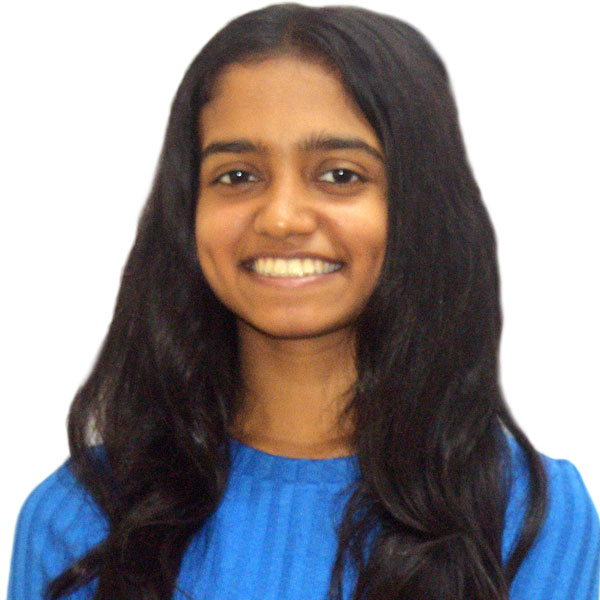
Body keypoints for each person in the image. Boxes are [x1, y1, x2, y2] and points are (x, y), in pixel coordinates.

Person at [7, 4, 599, 600]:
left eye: (339, 175)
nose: (282, 218)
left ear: (419, 206)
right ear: (187, 210)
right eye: (237, 176)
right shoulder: (81, 519)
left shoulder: (527, 517)